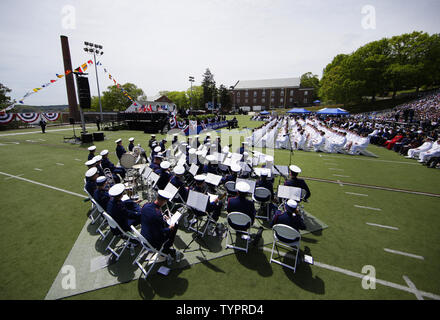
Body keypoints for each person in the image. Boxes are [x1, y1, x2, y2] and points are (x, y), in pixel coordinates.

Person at [140, 190, 181, 258]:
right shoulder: (157, 214)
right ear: (164, 201)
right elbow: (160, 232)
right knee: (175, 226)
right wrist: (169, 228)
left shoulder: (146, 205)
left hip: (144, 235)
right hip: (152, 241)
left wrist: (162, 217)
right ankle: (166, 249)